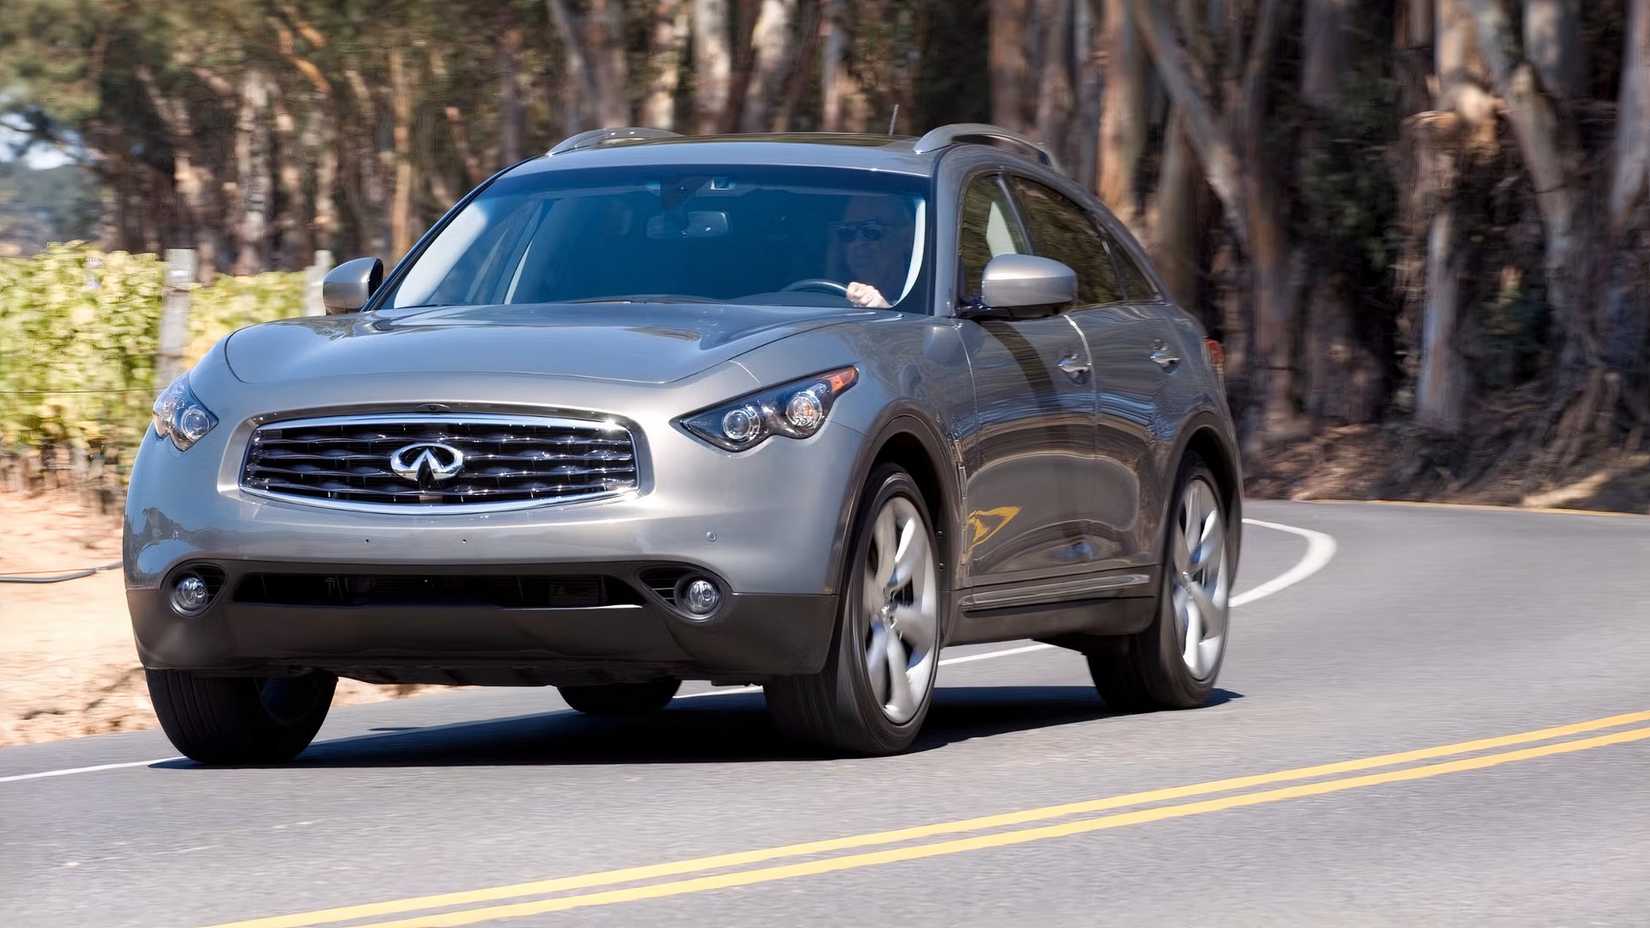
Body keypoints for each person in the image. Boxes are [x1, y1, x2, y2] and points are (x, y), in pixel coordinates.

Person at [833, 195, 916, 308]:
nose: (858, 243)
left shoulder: (930, 299)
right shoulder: (827, 301)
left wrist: (884, 311)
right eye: (847, 231)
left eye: (872, 230)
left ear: (907, 237)